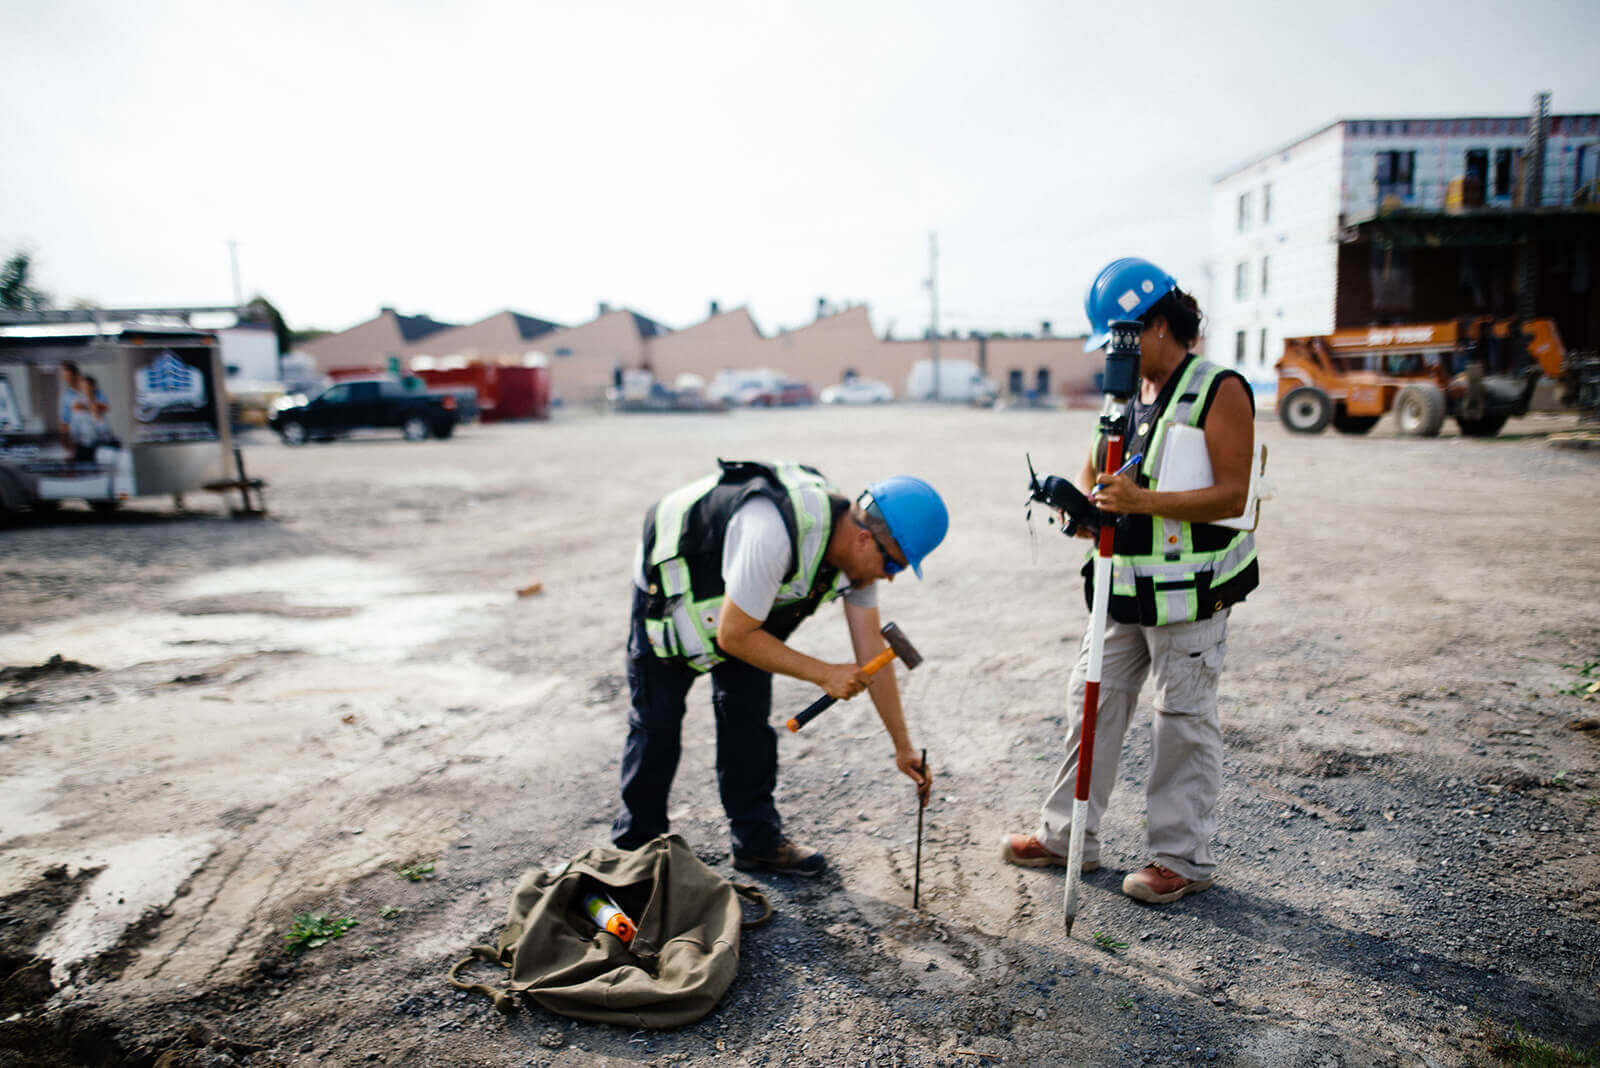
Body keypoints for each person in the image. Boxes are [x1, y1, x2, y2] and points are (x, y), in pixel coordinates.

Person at [1001, 257, 1260, 904]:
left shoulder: (1219, 387)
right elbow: (1099, 485)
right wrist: (1083, 511)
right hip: (1120, 589)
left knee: (1182, 721)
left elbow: (1232, 496)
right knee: (1090, 704)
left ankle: (1182, 858)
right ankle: (1067, 836)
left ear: (1160, 324)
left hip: (1191, 593)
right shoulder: (1122, 399)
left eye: (1121, 337)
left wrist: (1142, 503)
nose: (1115, 353)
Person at [612, 459, 949, 876]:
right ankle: (635, 853)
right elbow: (734, 637)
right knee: (656, 721)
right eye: (894, 565)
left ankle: (756, 843)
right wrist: (824, 673)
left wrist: (903, 746)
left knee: (747, 716)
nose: (891, 577)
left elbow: (871, 656)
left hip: (744, 600)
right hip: (675, 577)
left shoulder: (857, 562)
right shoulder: (772, 534)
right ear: (865, 539)